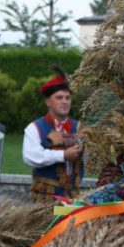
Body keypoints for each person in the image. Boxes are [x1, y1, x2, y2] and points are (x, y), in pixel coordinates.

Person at [22, 71, 86, 202]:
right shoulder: (35, 127)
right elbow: (31, 156)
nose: (65, 102)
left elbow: (90, 159)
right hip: (45, 197)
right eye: (59, 97)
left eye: (67, 98)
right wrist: (62, 155)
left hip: (74, 197)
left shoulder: (80, 127)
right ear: (48, 102)